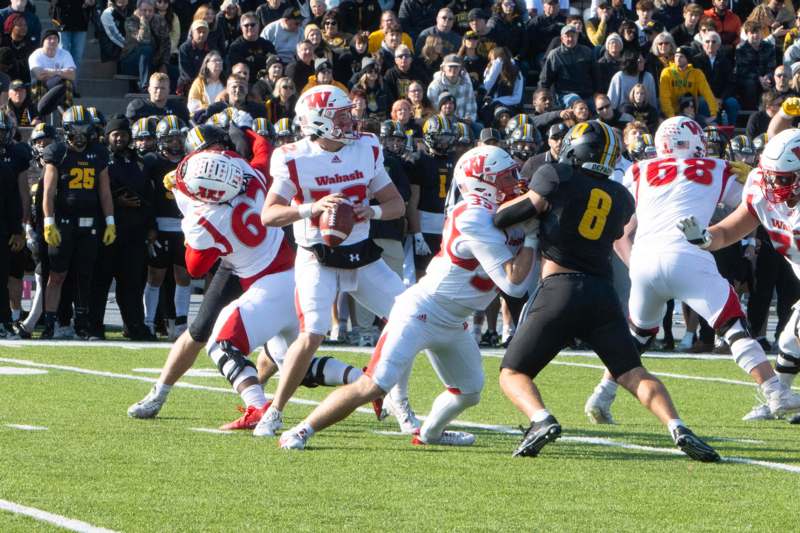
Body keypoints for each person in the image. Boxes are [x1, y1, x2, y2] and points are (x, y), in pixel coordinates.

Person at [279, 145, 535, 449]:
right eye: (506, 177)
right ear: (482, 182)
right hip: (421, 311)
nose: (516, 181)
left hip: (455, 321)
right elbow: (513, 285)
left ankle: (430, 433)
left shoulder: (499, 212)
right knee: (373, 385)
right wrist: (532, 235)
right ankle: (301, 430)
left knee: (469, 390)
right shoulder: (473, 216)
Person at [494, 120, 721, 462]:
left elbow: (508, 216)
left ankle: (540, 419)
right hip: (602, 294)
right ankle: (678, 426)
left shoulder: (556, 174)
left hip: (559, 288)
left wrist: (528, 221)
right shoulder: (621, 195)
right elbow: (611, 231)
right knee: (632, 372)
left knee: (513, 372)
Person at [583, 116, 800, 424]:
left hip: (644, 257)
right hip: (688, 254)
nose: (769, 182)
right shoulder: (722, 169)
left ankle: (601, 395)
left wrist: (637, 265)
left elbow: (621, 227)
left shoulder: (637, 170)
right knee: (732, 326)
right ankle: (774, 392)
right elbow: (756, 204)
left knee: (638, 335)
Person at [257, 85, 413, 437]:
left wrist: (369, 209)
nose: (351, 120)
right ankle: (275, 411)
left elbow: (396, 205)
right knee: (312, 333)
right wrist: (311, 208)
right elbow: (269, 215)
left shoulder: (367, 146)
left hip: (362, 257)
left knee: (407, 317)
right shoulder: (292, 156)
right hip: (318, 257)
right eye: (341, 116)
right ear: (319, 122)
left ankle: (399, 402)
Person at [678, 127, 800, 422]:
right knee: (789, 339)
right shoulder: (761, 188)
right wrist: (705, 239)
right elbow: (733, 228)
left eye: (781, 179)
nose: (771, 184)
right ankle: (779, 400)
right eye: (768, 174)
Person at [40, 105, 115, 339]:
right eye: (77, 128)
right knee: (57, 274)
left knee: (85, 274)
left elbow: (105, 192)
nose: (81, 133)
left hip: (90, 222)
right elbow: (48, 192)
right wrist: (48, 221)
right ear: (67, 129)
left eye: (85, 128)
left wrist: (110, 221)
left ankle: (82, 323)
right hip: (63, 221)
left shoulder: (99, 153)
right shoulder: (57, 152)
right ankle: (51, 322)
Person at [88, 116, 154, 340]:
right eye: (115, 134)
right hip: (108, 232)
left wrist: (150, 226)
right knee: (100, 283)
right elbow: (94, 195)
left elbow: (149, 196)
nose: (120, 138)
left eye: (124, 134)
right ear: (107, 136)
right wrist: (118, 202)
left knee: (132, 285)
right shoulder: (100, 158)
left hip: (134, 233)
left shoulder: (140, 161)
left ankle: (134, 326)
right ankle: (95, 326)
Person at [142, 115, 190, 339]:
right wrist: (150, 225)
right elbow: (147, 196)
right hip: (160, 225)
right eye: (171, 139)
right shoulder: (152, 162)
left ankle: (180, 323)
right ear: (161, 140)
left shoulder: (192, 160)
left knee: (183, 275)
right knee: (155, 276)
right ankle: (148, 322)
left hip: (184, 225)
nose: (176, 143)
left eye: (179, 138)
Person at [409, 114, 457, 279]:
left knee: (447, 275)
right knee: (422, 274)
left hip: (448, 223)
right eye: (439, 136)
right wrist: (417, 233)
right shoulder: (420, 160)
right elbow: (413, 201)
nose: (444, 141)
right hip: (426, 223)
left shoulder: (455, 160)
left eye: (447, 137)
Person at [538, 24, 596, 106]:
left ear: (577, 37)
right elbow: (545, 79)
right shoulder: (554, 55)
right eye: (567, 36)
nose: (570, 39)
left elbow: (596, 75)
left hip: (587, 94)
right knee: (577, 102)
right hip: (565, 95)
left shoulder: (587, 52)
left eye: (573, 36)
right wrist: (542, 96)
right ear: (562, 39)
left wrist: (598, 93)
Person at [120, 0, 170, 92]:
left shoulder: (159, 20)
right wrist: (143, 21)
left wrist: (164, 64)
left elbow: (166, 43)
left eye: (150, 11)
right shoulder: (130, 21)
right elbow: (144, 40)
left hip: (152, 60)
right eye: (144, 10)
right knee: (146, 49)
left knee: (173, 70)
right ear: (138, 10)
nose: (147, 13)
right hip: (131, 61)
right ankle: (145, 87)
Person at [659, 46, 717, 121]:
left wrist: (714, 114)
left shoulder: (696, 73)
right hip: (672, 113)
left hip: (689, 112)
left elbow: (707, 93)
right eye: (676, 56)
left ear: (688, 59)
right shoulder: (667, 72)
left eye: (681, 56)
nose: (678, 59)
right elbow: (664, 97)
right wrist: (671, 116)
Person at [226, 12, 277, 85]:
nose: (250, 27)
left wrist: (252, 61)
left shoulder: (267, 45)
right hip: (244, 84)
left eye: (253, 25)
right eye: (246, 25)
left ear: (258, 26)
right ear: (241, 27)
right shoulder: (235, 47)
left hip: (266, 83)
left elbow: (274, 63)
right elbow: (239, 70)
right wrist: (262, 59)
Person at [28, 30, 75, 108]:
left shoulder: (65, 54)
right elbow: (39, 75)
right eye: (49, 38)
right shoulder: (35, 55)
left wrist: (52, 72)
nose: (53, 41)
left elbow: (72, 75)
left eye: (55, 38)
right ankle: (38, 117)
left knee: (68, 83)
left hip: (58, 84)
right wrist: (62, 73)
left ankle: (66, 116)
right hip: (42, 85)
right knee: (37, 83)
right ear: (43, 41)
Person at [126, 72, 191, 122]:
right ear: (149, 89)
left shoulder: (179, 108)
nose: (159, 91)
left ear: (169, 90)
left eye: (163, 88)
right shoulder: (137, 107)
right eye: (156, 88)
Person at [187, 50, 224, 114]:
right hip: (204, 117)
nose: (218, 62)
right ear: (207, 64)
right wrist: (211, 108)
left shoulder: (226, 82)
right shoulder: (199, 82)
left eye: (220, 60)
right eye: (215, 60)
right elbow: (192, 106)